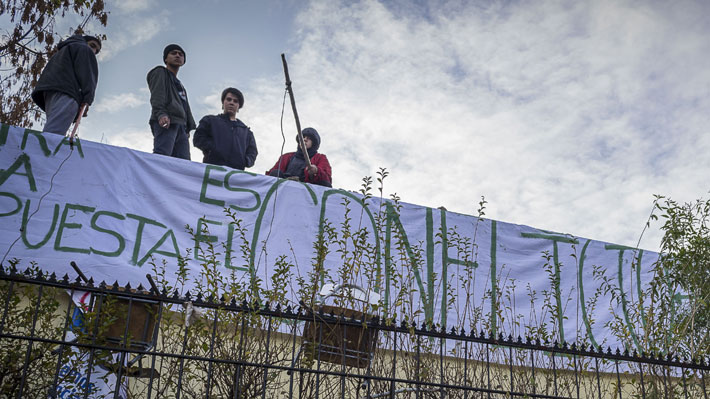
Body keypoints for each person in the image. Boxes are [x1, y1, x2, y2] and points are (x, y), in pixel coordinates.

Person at [31, 34, 101, 135]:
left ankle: (43, 148)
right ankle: (41, 150)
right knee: (54, 135)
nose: (94, 51)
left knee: (51, 129)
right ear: (85, 41)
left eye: (97, 51)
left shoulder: (64, 50)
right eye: (93, 45)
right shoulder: (84, 48)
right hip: (68, 93)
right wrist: (87, 100)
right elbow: (88, 76)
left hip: (49, 93)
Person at [146, 44, 195, 160]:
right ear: (166, 59)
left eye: (181, 54)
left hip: (181, 127)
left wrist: (188, 127)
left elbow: (185, 107)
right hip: (167, 122)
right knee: (162, 158)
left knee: (184, 164)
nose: (177, 55)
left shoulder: (181, 86)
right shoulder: (160, 72)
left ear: (184, 61)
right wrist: (161, 114)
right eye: (173, 53)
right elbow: (157, 95)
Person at [193, 87, 257, 170]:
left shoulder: (246, 132)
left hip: (235, 175)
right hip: (212, 170)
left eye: (235, 101)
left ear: (239, 106)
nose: (231, 103)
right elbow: (198, 138)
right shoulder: (210, 121)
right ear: (223, 103)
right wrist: (214, 150)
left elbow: (252, 152)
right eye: (229, 99)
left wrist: (244, 161)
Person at [266, 127, 332, 187]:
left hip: (307, 190)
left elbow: (327, 180)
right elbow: (269, 176)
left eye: (309, 138)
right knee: (275, 173)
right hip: (284, 188)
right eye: (303, 137)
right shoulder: (286, 157)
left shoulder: (320, 158)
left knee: (324, 183)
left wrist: (316, 171)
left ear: (314, 143)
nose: (305, 139)